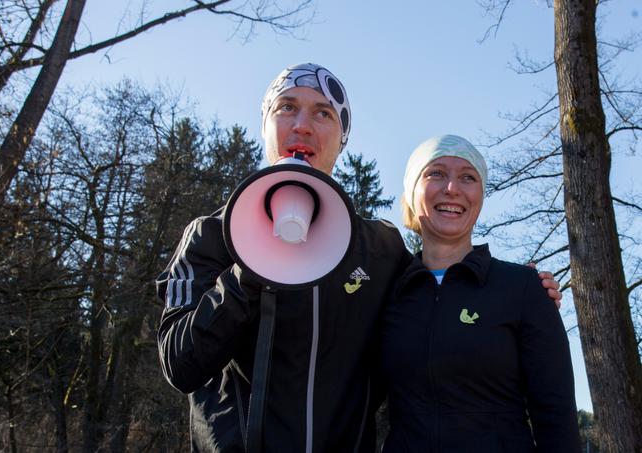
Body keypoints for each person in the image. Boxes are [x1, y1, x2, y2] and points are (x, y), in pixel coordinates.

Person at [156, 64, 562, 452]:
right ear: (265, 124)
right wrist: (250, 268)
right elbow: (180, 364)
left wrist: (517, 289)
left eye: (323, 113)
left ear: (341, 138)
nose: (302, 125)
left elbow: (440, 289)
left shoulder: (378, 247)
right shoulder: (210, 235)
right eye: (286, 108)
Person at [379, 135, 580, 452]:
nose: (452, 188)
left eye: (468, 177)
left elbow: (556, 416)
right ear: (411, 190)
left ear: (481, 196)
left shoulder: (523, 288)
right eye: (436, 173)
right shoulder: (385, 292)